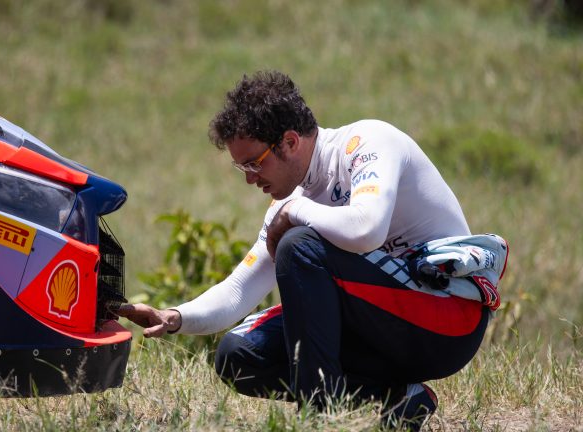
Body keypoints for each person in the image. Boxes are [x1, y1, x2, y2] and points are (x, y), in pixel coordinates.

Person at [117, 71, 507, 430]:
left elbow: (367, 229)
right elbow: (240, 289)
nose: (250, 179)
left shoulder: (367, 143)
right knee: (237, 355)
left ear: (289, 141)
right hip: (383, 326)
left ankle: (319, 418)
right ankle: (399, 397)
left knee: (298, 246)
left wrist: (295, 213)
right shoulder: (291, 204)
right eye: (242, 168)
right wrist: (175, 317)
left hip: (448, 323)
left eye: (254, 163)